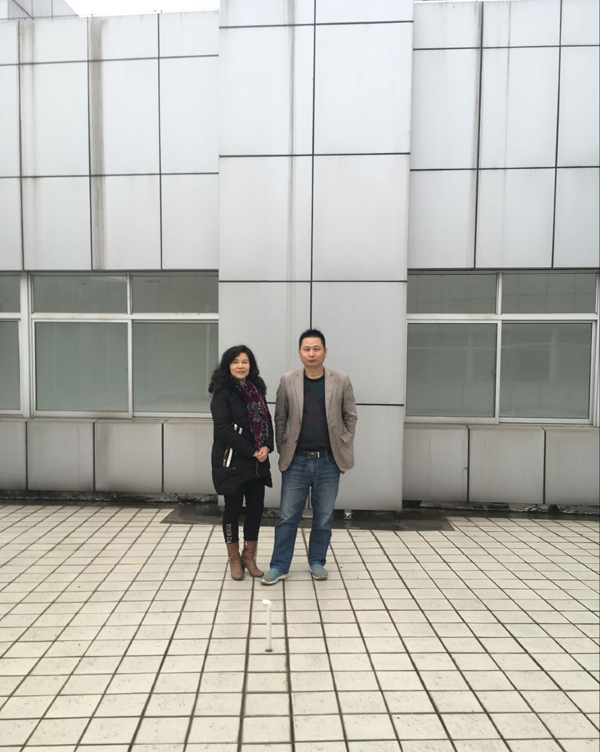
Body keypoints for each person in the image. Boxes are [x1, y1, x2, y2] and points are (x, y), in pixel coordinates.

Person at [261, 329, 357, 585]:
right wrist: (284, 448)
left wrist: (344, 442)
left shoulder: (341, 380)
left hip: (328, 461)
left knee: (323, 517)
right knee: (287, 517)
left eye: (316, 348)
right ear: (299, 352)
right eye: (307, 349)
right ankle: (279, 566)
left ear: (325, 351)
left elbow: (350, 416)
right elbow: (280, 418)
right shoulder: (288, 380)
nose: (311, 353)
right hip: (296, 461)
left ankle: (317, 562)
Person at [209, 345, 273, 580]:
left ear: (250, 365)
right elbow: (223, 429)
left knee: (255, 510)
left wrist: (267, 446)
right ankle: (234, 559)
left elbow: (267, 421)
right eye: (235, 362)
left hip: (256, 464)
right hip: (231, 462)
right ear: (228, 366)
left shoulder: (257, 390)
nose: (240, 366)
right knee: (232, 511)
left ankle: (249, 556)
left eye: (244, 361)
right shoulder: (222, 393)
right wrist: (251, 450)